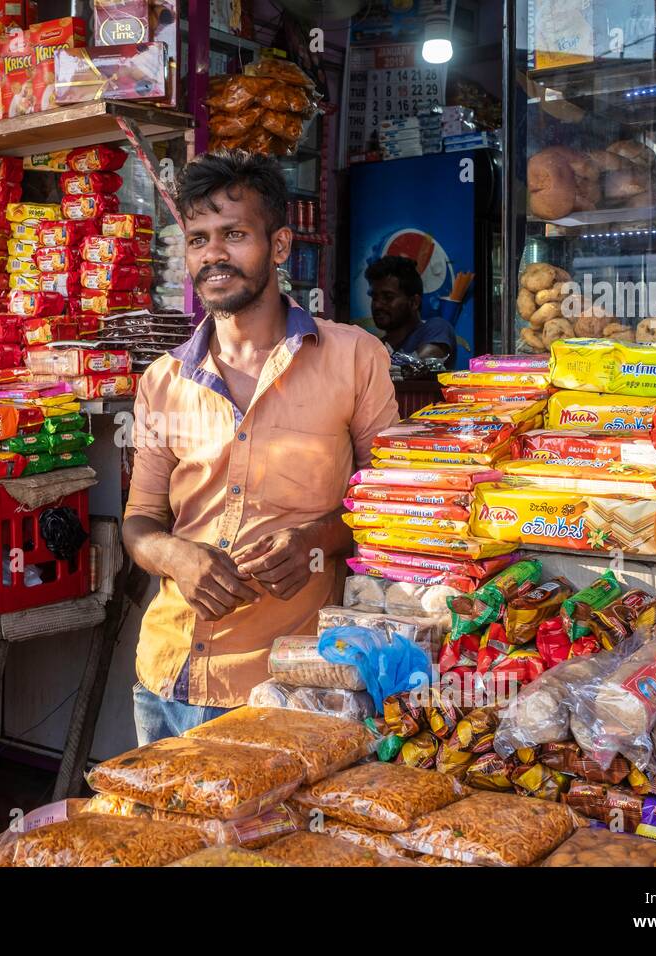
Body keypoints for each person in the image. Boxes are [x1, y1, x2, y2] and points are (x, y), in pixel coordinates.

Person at [121, 150, 400, 745]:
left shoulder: (355, 358)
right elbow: (140, 522)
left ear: (278, 246)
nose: (213, 255)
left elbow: (393, 506)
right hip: (167, 679)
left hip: (292, 685)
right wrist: (175, 558)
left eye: (234, 235)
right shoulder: (162, 380)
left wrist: (315, 541)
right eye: (198, 239)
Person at [366, 255, 457, 367]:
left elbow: (420, 364)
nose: (377, 304)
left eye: (388, 297)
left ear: (414, 302)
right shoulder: (375, 346)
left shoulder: (437, 328)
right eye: (374, 297)